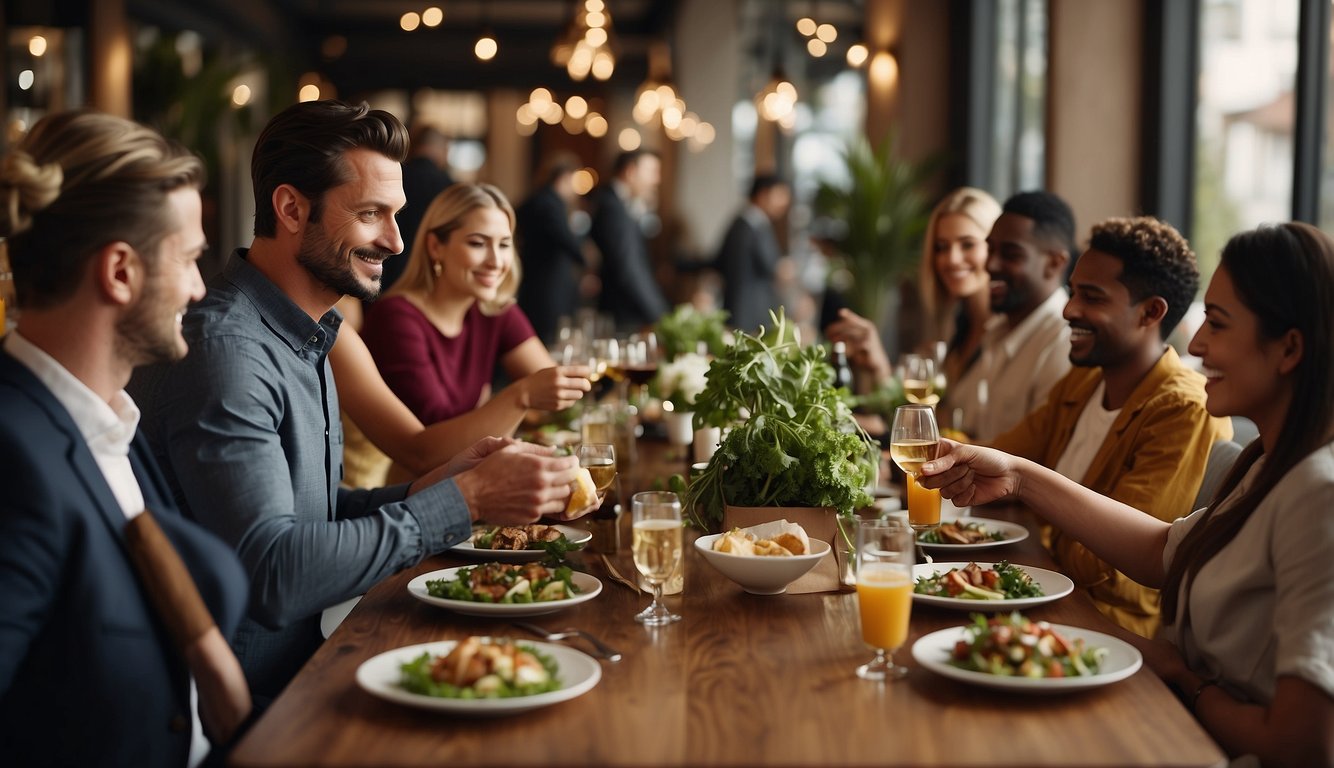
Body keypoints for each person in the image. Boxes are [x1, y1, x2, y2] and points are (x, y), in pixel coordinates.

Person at [132, 100, 593, 702]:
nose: (396, 241)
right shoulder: (228, 352)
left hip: (311, 659)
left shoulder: (307, 330)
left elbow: (316, 514)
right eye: (371, 213)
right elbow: (276, 574)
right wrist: (469, 499)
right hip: (256, 703)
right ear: (291, 209)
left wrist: (437, 485)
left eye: (396, 215)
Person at [920, 222, 1334, 767]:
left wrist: (1187, 684)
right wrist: (1019, 476)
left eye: (1217, 323)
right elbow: (1165, 550)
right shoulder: (1268, 465)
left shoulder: (1318, 493)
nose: (1196, 344)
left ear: (1289, 348)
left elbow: (1301, 745)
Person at [0, 111, 250, 766]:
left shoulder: (108, 419)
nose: (200, 287)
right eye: (190, 259)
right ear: (119, 271)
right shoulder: (12, 459)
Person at [990, 216, 1233, 637]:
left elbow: (1110, 567)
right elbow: (1005, 454)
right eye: (1072, 291)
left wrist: (1031, 499)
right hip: (1040, 589)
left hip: (1104, 628)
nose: (1069, 309)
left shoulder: (1183, 409)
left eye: (1092, 297)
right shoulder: (1084, 380)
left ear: (1151, 312)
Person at [360, 183, 589, 433]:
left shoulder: (494, 310)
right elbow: (434, 436)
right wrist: (519, 396)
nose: (496, 262)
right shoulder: (396, 318)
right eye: (478, 243)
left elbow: (559, 392)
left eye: (504, 245)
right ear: (436, 247)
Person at [826, 187, 1001, 418]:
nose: (952, 259)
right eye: (941, 247)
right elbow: (932, 420)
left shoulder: (1008, 333)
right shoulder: (955, 327)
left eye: (967, 244)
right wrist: (879, 367)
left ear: (996, 247)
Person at [589, 148, 669, 331]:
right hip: (621, 316)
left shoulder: (616, 203)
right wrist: (662, 317)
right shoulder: (612, 207)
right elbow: (630, 268)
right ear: (631, 172)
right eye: (652, 172)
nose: (657, 180)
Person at [515, 153, 586, 345]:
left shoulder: (536, 200)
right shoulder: (549, 204)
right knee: (547, 339)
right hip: (547, 287)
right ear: (564, 178)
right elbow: (567, 240)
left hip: (536, 281)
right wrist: (586, 258)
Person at [381, 123, 454, 292]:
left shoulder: (394, 177)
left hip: (387, 266)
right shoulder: (450, 187)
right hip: (429, 273)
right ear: (442, 149)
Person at [716, 174, 792, 333]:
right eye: (780, 195)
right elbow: (770, 265)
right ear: (763, 195)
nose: (784, 203)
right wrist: (783, 269)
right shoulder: (750, 225)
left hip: (748, 310)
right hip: (747, 313)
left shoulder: (751, 223)